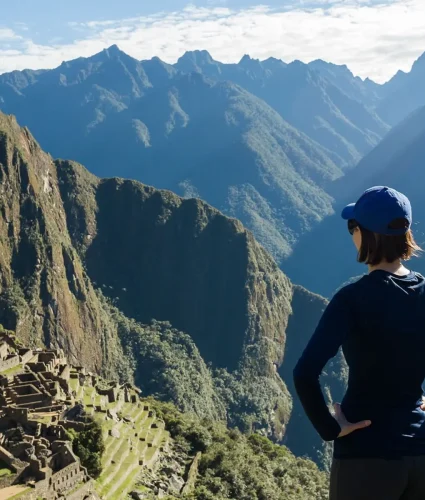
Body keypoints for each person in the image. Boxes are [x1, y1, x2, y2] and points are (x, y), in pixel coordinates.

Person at [293, 186, 425, 500]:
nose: (351, 234)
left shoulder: (353, 299)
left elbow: (304, 372)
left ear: (366, 235)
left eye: (353, 227)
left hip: (366, 456)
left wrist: (330, 428)